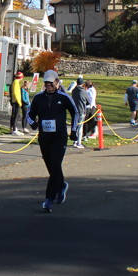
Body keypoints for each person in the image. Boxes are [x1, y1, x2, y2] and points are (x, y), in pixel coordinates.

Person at [27, 70, 79, 212]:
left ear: (57, 82)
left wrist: (74, 130)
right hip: (44, 137)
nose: (49, 86)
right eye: (46, 83)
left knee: (56, 165)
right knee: (51, 167)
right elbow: (29, 114)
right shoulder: (38, 98)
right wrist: (33, 123)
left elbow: (75, 112)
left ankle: (49, 199)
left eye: (51, 83)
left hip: (59, 137)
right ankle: (61, 185)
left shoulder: (64, 97)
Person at [70, 79, 90, 148]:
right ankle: (79, 142)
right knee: (80, 127)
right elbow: (89, 101)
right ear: (82, 83)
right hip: (81, 110)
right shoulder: (83, 91)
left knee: (75, 126)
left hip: (74, 110)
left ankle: (74, 141)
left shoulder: (74, 90)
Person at [9, 71, 28, 136]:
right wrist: (19, 102)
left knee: (15, 116)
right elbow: (16, 93)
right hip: (16, 102)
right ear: (21, 77)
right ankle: (14, 130)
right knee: (15, 116)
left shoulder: (16, 82)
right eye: (22, 77)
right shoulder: (16, 83)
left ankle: (15, 129)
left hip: (15, 101)